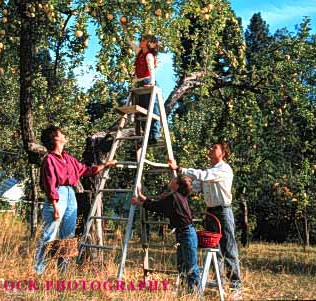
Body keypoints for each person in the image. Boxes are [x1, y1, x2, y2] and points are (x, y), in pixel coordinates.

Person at [34, 125, 117, 275]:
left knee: (68, 235)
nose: (64, 135)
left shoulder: (68, 158)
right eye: (61, 133)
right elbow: (49, 184)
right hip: (57, 195)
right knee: (49, 234)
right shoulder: (49, 160)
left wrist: (105, 165)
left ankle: (63, 272)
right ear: (55, 138)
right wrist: (55, 205)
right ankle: (38, 271)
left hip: (70, 194)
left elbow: (86, 170)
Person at [168, 142, 243, 299]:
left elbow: (203, 176)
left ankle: (236, 287)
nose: (210, 149)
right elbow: (194, 186)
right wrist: (178, 185)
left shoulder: (224, 169)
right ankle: (220, 284)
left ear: (223, 153)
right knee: (215, 250)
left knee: (229, 248)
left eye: (214, 148)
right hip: (210, 213)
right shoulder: (209, 172)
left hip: (223, 211)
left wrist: (180, 169)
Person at [131, 176, 200, 292]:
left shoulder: (173, 197)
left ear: (177, 185)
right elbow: (158, 205)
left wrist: (139, 202)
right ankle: (186, 292)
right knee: (182, 265)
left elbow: (157, 207)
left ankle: (196, 294)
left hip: (186, 233)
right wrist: (141, 197)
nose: (171, 179)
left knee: (191, 266)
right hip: (184, 232)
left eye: (174, 179)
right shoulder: (176, 197)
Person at [121, 20, 161, 144]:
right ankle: (146, 134)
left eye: (143, 40)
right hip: (140, 83)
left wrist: (152, 83)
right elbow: (129, 41)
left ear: (148, 43)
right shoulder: (139, 52)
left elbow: (151, 70)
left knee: (152, 108)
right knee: (142, 109)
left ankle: (155, 134)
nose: (140, 41)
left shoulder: (149, 55)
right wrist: (124, 28)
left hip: (148, 82)